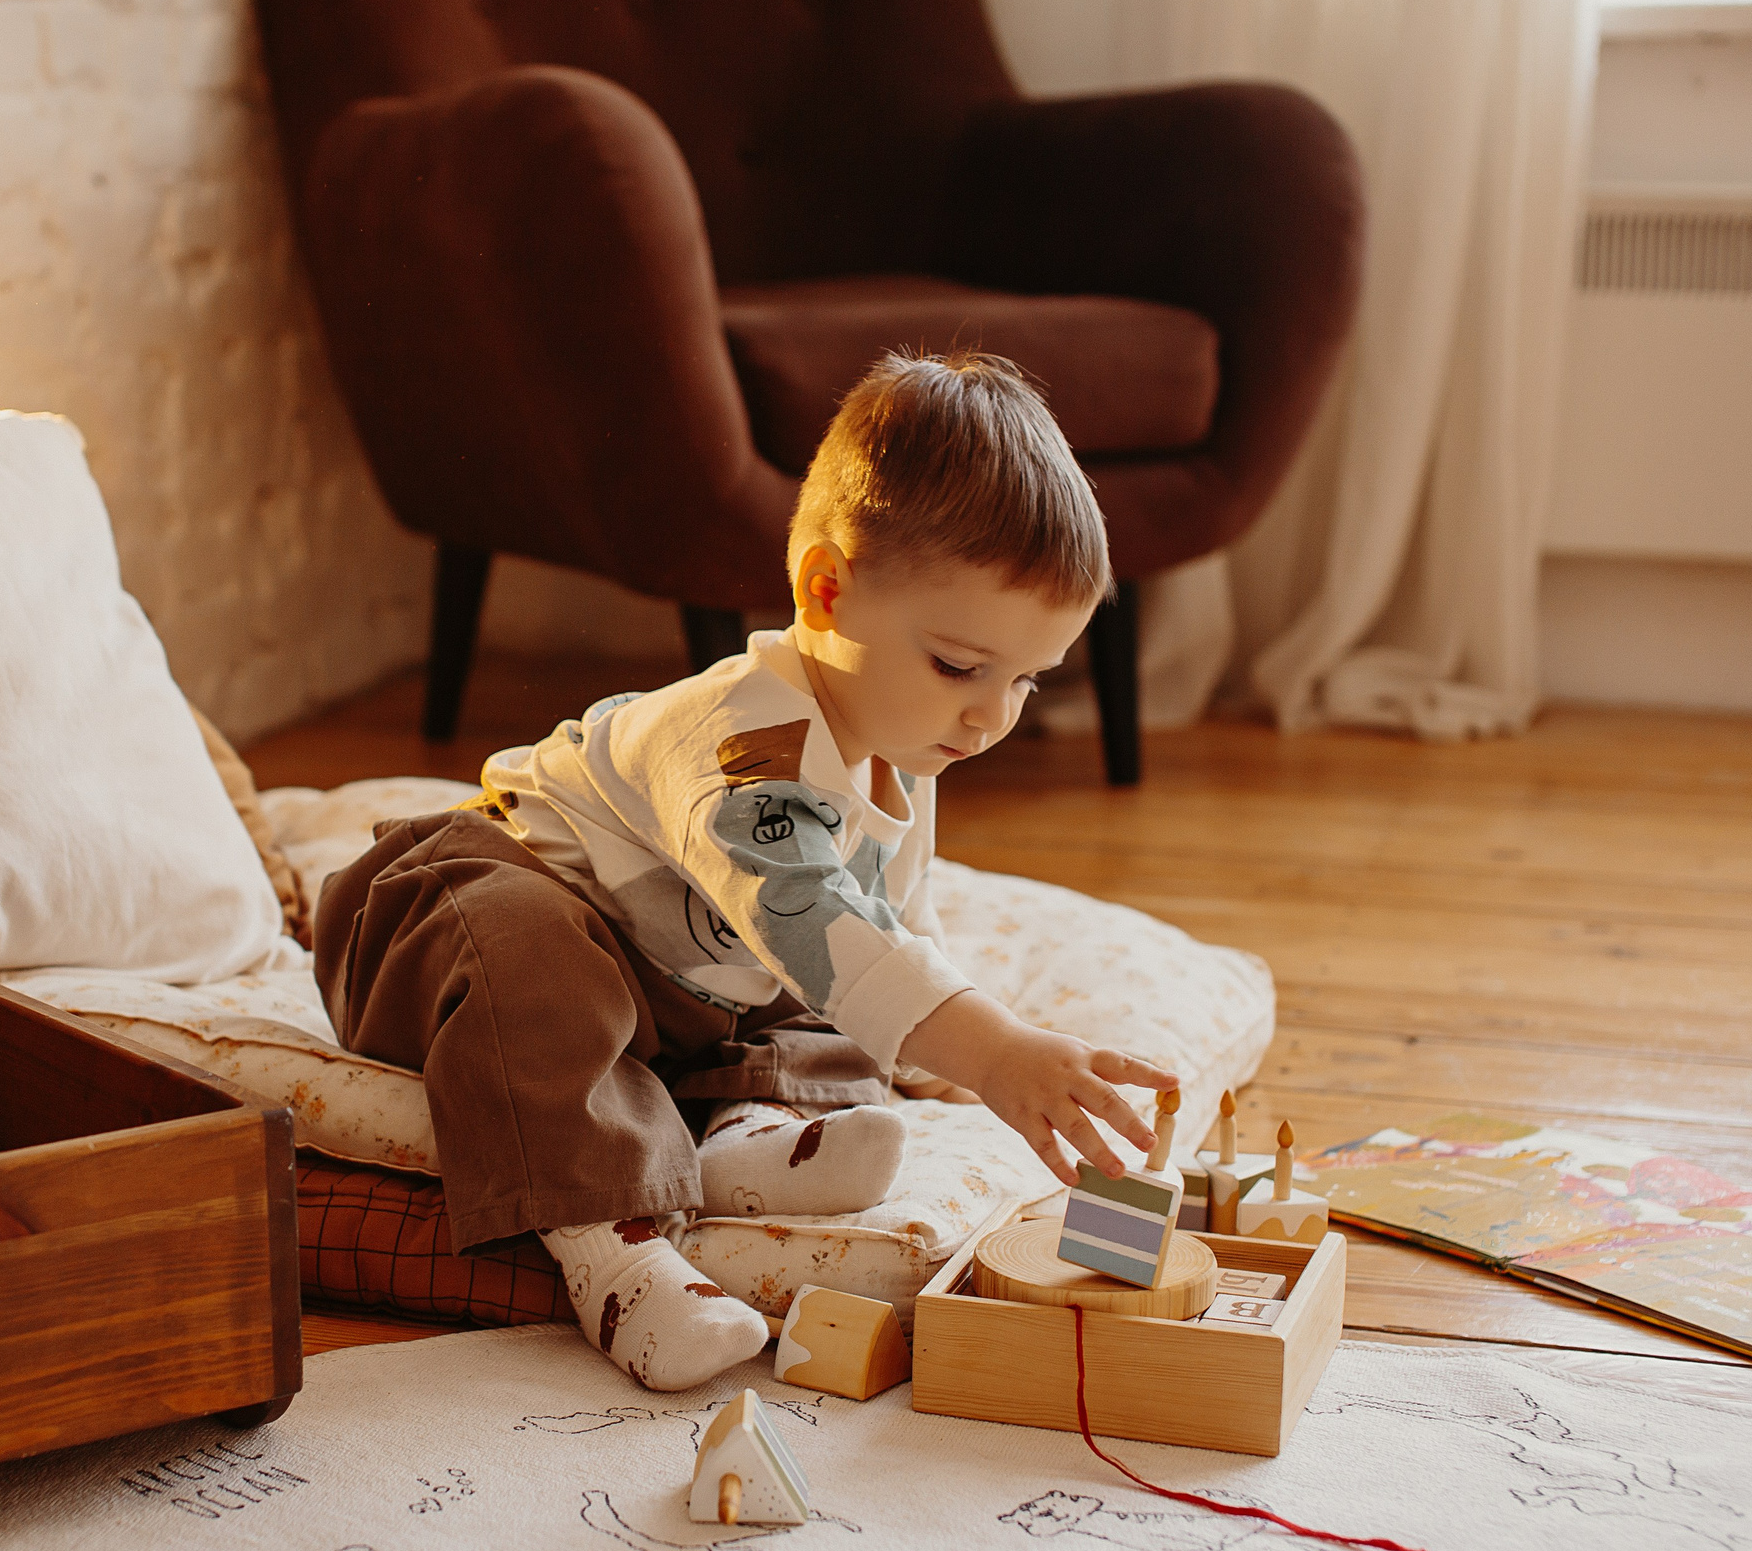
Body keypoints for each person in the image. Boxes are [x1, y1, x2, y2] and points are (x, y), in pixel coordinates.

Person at [313, 351, 1178, 1389]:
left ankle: (750, 1137)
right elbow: (806, 905)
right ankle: (616, 1253)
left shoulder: (901, 750)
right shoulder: (741, 745)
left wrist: (959, 1047)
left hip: (668, 984)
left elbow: (898, 931)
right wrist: (992, 1052)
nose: (991, 717)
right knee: (567, 962)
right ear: (824, 592)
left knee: (836, 994)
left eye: (1028, 681)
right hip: (456, 913)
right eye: (959, 666)